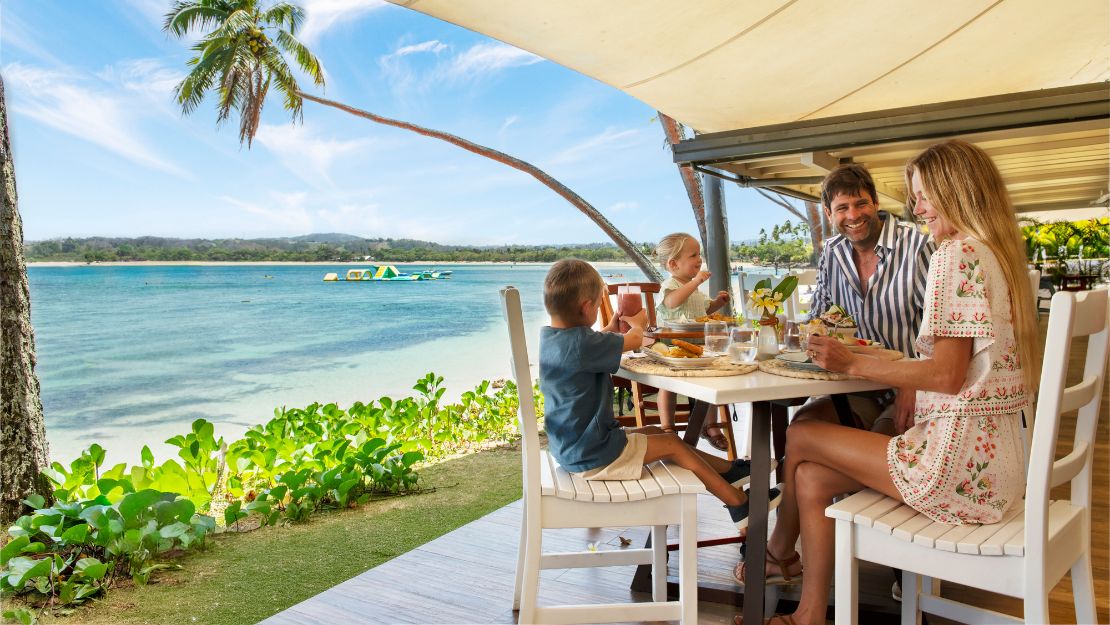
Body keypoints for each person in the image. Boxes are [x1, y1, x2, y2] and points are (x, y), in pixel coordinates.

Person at [733, 140, 1039, 625]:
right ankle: (809, 613)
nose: (917, 208)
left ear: (955, 190)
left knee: (801, 434)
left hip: (955, 467)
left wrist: (853, 365)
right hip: (997, 467)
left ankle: (776, 555)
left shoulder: (952, 254)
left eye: (923, 195)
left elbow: (945, 374)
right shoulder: (994, 253)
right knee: (810, 476)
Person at [539, 259, 777, 529]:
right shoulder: (582, 344)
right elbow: (634, 340)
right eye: (596, 305)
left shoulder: (552, 339)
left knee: (657, 433)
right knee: (672, 445)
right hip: (594, 455)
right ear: (586, 307)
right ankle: (739, 504)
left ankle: (729, 471)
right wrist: (638, 324)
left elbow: (591, 346)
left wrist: (612, 326)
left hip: (574, 447)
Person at [796, 164, 935, 435]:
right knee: (802, 427)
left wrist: (912, 384)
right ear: (828, 213)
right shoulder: (831, 254)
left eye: (861, 204)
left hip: (908, 388)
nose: (853, 215)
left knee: (880, 440)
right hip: (854, 387)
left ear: (875, 202)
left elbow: (938, 334)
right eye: (842, 208)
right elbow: (818, 321)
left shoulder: (918, 247)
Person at [653, 232, 732, 449]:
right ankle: (667, 427)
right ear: (673, 264)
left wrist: (717, 302)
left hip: (699, 345)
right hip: (673, 347)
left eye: (700, 254)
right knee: (667, 384)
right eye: (693, 255)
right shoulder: (670, 285)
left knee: (710, 379)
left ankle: (710, 425)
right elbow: (672, 303)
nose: (700, 259)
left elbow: (704, 310)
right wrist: (696, 281)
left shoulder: (693, 287)